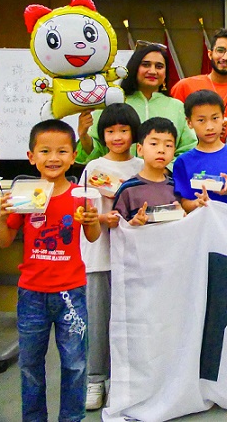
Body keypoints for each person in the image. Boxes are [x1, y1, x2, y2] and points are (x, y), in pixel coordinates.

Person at [0, 120, 101, 422]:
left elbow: (92, 237)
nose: (53, 158)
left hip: (71, 292)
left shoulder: (80, 195)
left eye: (62, 151)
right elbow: (3, 241)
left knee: (75, 364)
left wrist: (92, 220)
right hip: (32, 292)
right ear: (31, 157)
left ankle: (72, 418)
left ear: (74, 155)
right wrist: (2, 216)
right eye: (45, 151)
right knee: (30, 365)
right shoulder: (25, 195)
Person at [77, 103, 143, 410]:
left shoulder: (141, 166)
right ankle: (95, 379)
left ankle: (122, 381)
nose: (117, 137)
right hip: (100, 256)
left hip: (133, 260)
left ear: (134, 133)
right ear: (102, 135)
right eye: (110, 131)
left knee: (130, 321)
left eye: (124, 130)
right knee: (98, 320)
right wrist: (104, 219)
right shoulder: (94, 168)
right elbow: (82, 212)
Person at [76, 43, 197, 166]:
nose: (152, 71)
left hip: (162, 176)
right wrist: (83, 134)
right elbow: (97, 151)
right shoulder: (113, 102)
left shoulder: (177, 107)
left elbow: (189, 150)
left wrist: (163, 170)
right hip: (116, 175)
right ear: (134, 68)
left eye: (159, 66)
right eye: (146, 65)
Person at [173, 90, 227, 212]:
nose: (209, 127)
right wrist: (197, 203)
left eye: (215, 118)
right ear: (189, 123)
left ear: (223, 117)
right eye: (201, 120)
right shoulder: (183, 161)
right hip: (200, 222)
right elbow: (184, 202)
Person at [170, 28, 227, 137]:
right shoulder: (184, 87)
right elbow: (173, 128)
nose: (225, 57)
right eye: (220, 50)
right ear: (210, 54)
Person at [113, 117, 179, 225]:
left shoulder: (175, 187)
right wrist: (133, 223)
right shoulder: (128, 189)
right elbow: (117, 228)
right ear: (140, 149)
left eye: (168, 145)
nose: (161, 150)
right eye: (154, 144)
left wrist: (182, 216)